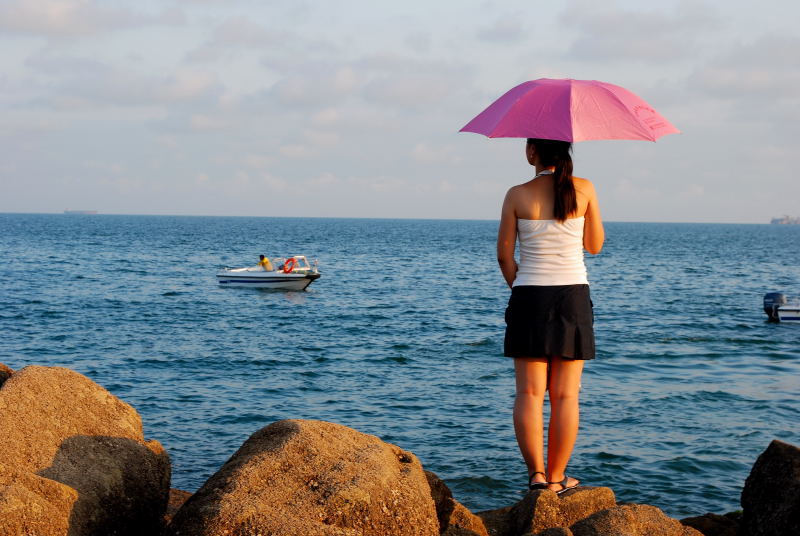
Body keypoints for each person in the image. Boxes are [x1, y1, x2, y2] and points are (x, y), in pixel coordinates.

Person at [496, 138, 604, 495]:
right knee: (566, 396)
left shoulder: (516, 194)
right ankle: (558, 478)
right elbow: (594, 245)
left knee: (528, 393)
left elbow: (504, 256)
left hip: (529, 296)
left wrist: (521, 286)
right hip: (572, 296)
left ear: (532, 152)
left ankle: (537, 478)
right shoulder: (585, 188)